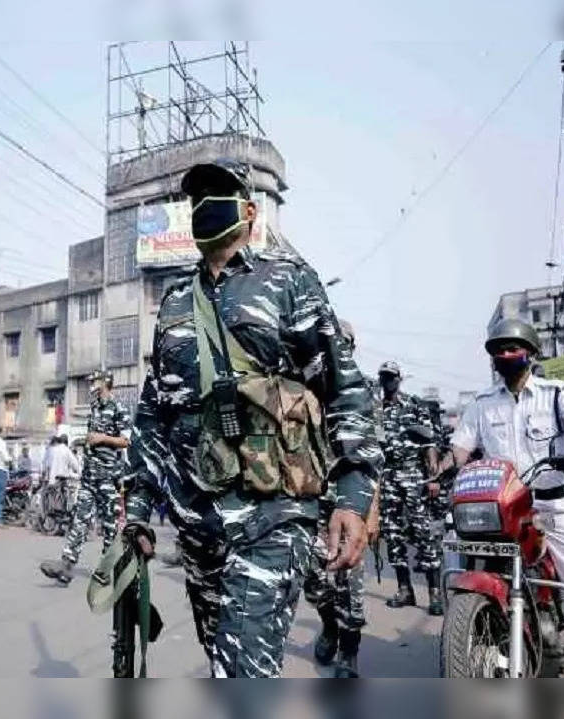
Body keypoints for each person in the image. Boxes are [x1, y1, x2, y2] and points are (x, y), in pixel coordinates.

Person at [121, 159, 381, 678]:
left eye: (218, 193)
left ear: (249, 211)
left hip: (273, 514)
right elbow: (154, 414)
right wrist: (138, 512)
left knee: (242, 674)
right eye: (196, 198)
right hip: (196, 521)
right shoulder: (174, 301)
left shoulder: (288, 281)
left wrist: (355, 493)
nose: (203, 206)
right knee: (222, 662)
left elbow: (343, 388)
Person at [446, 318, 564, 677]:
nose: (505, 354)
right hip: (501, 507)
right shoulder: (482, 404)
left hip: (551, 506)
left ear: (530, 353)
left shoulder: (556, 393)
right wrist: (447, 466)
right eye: (498, 349)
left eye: (512, 347)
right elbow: (460, 447)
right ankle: (477, 634)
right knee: (455, 546)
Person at [303, 319, 382, 677]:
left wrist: (372, 512)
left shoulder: (361, 391)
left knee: (349, 582)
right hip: (309, 502)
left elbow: (370, 459)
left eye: (346, 342)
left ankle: (349, 651)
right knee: (315, 581)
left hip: (350, 503)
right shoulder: (303, 386)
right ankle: (330, 627)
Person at [39, 370, 131, 585]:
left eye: (94, 381)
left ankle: (108, 570)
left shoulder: (119, 408)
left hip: (109, 477)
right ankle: (67, 565)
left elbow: (126, 440)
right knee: (79, 519)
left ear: (106, 383)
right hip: (90, 476)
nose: (90, 385)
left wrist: (101, 438)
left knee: (109, 525)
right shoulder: (94, 408)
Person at [375, 360, 444, 615]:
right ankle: (405, 589)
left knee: (423, 531)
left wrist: (433, 476)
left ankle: (434, 594)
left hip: (414, 472)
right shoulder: (378, 410)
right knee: (392, 533)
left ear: (399, 379)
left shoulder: (414, 405)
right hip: (389, 474)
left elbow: (430, 443)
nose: (387, 381)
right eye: (383, 377)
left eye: (391, 377)